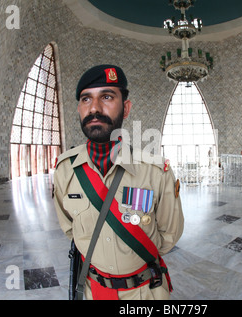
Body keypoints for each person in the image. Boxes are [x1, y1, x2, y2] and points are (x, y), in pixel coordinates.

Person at [53, 65, 184, 300]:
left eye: (107, 96)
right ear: (79, 108)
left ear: (126, 108)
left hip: (145, 293)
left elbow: (169, 235)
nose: (94, 108)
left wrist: (128, 261)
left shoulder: (155, 171)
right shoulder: (65, 170)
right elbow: (70, 229)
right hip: (94, 292)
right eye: (86, 99)